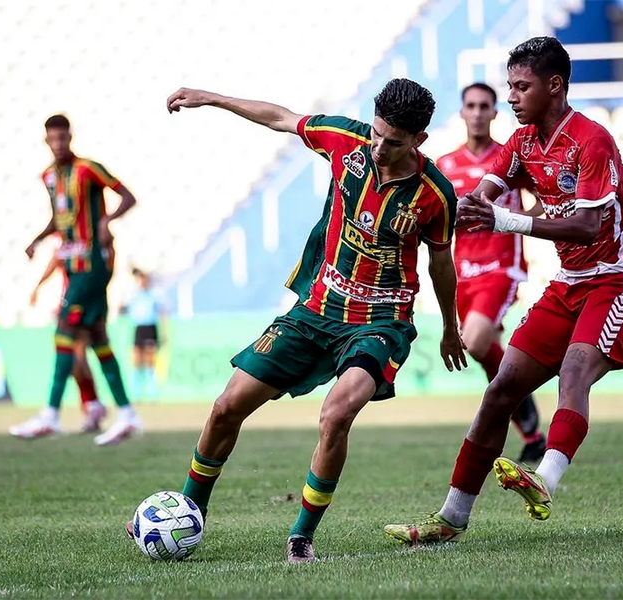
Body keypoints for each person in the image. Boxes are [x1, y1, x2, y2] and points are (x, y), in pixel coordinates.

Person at [125, 78, 466, 563]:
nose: (379, 147)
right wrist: (214, 98)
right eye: (376, 133)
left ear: (418, 140)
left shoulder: (436, 194)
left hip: (380, 322)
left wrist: (451, 327)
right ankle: (189, 511)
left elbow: (441, 263)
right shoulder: (344, 141)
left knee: (336, 414)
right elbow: (281, 118)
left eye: (392, 141)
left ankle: (301, 536)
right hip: (316, 310)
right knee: (226, 407)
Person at [384, 36, 623, 544]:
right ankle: (451, 518)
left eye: (520, 87)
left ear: (554, 86)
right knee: (499, 391)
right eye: (509, 86)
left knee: (575, 370)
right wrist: (434, 213)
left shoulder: (591, 140)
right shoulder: (523, 142)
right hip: (570, 281)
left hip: (620, 275)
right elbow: (481, 196)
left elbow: (586, 227)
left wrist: (505, 220)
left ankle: (545, 479)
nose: (511, 96)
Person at [9, 114, 143, 446]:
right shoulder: (49, 177)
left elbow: (128, 196)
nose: (58, 144)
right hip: (71, 265)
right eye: (53, 139)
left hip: (92, 265)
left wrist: (107, 220)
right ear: (46, 141)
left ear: (70, 137)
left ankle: (51, 415)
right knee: (97, 337)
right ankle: (127, 414)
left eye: (63, 137)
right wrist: (38, 239)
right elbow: (59, 218)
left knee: (64, 331)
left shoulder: (88, 169)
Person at [437, 82, 546, 465]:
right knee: (484, 352)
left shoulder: (510, 159)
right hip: (461, 274)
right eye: (471, 105)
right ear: (462, 112)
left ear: (495, 113)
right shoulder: (445, 166)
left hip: (501, 268)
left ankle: (516, 406)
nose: (478, 112)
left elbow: (546, 202)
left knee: (475, 341)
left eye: (485, 106)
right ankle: (531, 431)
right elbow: (436, 219)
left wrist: (513, 220)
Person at [29, 246, 107, 433]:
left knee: (77, 357)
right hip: (74, 304)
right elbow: (56, 260)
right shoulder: (70, 245)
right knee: (77, 360)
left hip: (84, 306)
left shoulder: (86, 244)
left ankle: (90, 405)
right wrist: (38, 286)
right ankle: (93, 405)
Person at [122, 268, 165, 401]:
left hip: (150, 327)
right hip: (139, 328)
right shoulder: (134, 295)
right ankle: (137, 391)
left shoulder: (154, 295)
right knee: (136, 358)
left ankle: (152, 391)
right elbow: (124, 308)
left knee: (150, 359)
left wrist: (163, 333)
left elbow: (162, 312)